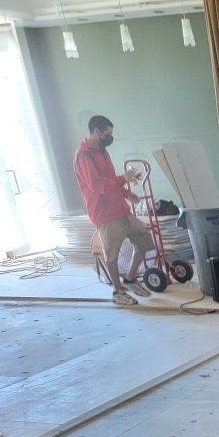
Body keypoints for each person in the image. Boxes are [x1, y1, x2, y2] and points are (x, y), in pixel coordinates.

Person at [74, 115, 153, 306]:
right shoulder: (84, 155)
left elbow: (109, 178)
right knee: (112, 255)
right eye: (107, 134)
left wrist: (126, 193)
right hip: (104, 213)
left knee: (144, 241)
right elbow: (97, 185)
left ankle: (131, 279)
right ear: (96, 131)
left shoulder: (102, 151)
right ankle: (118, 291)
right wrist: (124, 178)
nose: (110, 137)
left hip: (120, 208)